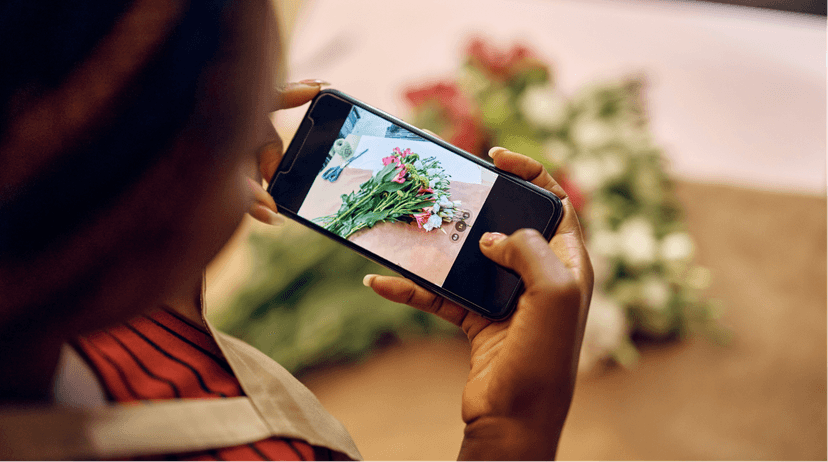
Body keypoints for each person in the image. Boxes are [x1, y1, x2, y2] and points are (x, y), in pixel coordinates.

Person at [0, 0, 592, 460]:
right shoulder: (262, 455)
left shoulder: (57, 278)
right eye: (237, 125)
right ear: (158, 219)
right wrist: (512, 430)